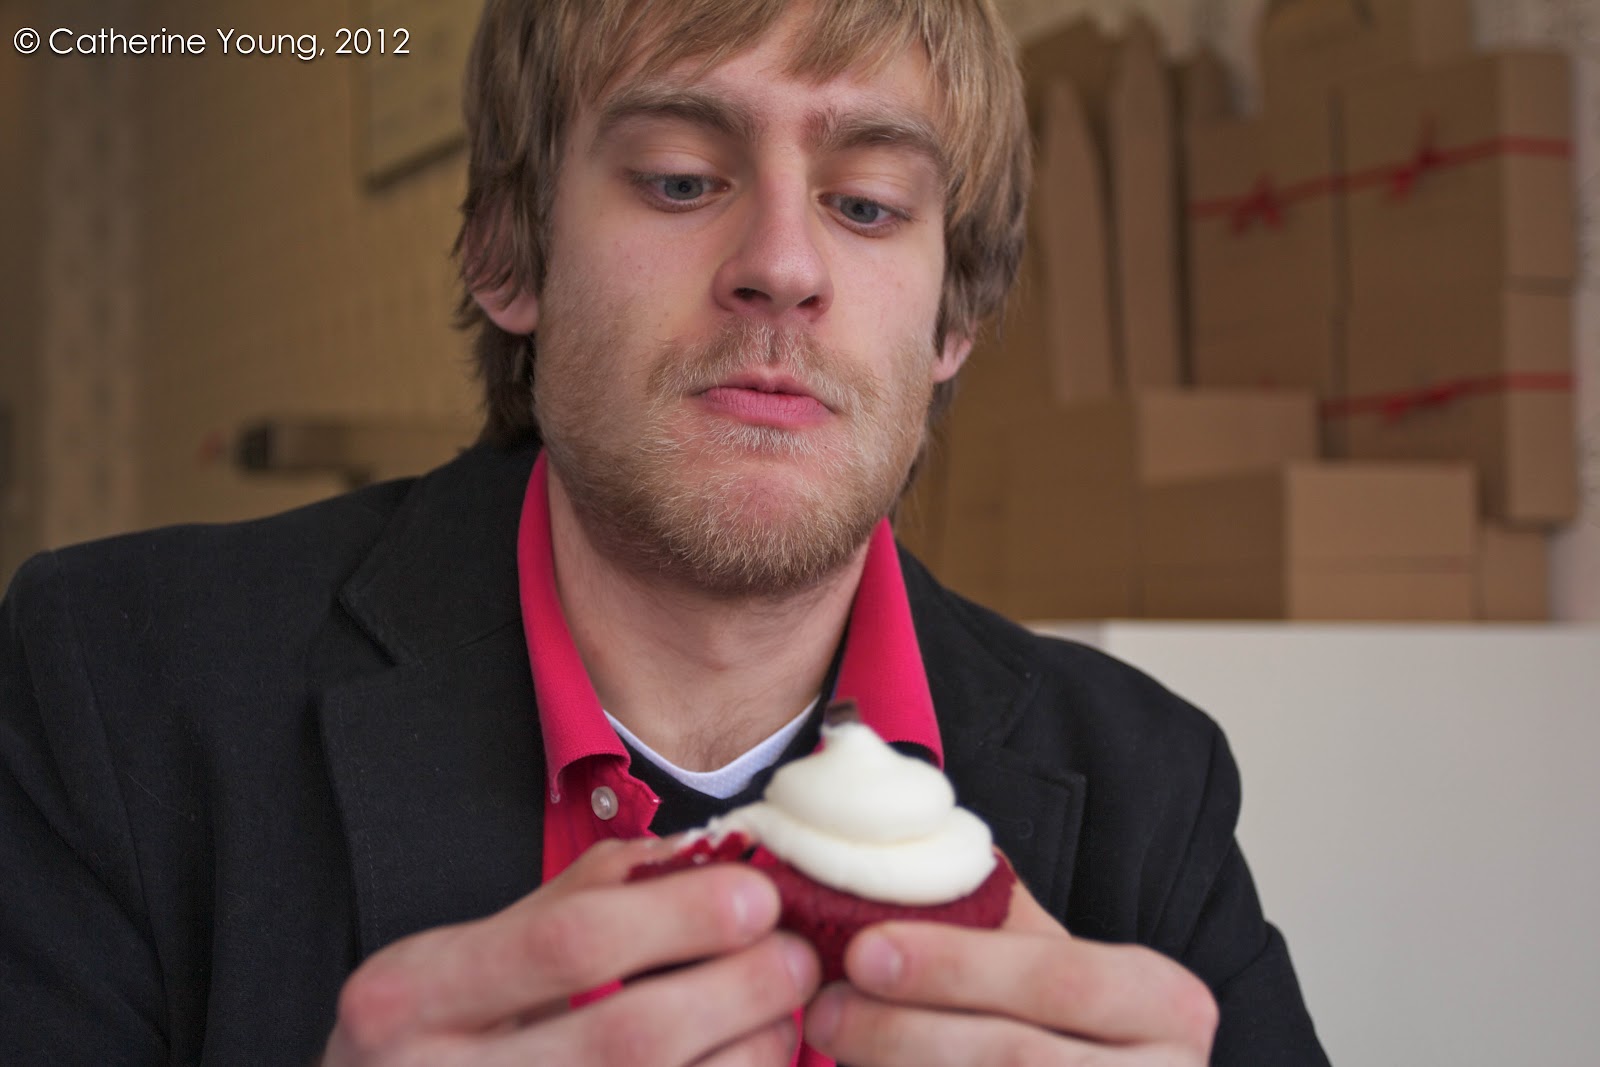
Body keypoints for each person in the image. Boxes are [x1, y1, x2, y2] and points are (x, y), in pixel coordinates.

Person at [0, 0, 1328, 1064]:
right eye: (684, 179)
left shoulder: (1152, 792)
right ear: (507, 253)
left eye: (868, 203)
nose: (784, 266)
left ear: (954, 318)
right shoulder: (113, 687)